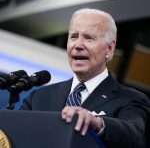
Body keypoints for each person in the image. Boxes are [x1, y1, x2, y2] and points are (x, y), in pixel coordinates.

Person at [20, 8, 150, 148]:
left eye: (89, 38)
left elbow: (135, 137)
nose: (78, 45)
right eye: (74, 36)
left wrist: (97, 123)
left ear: (109, 49)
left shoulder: (130, 99)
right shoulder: (38, 97)